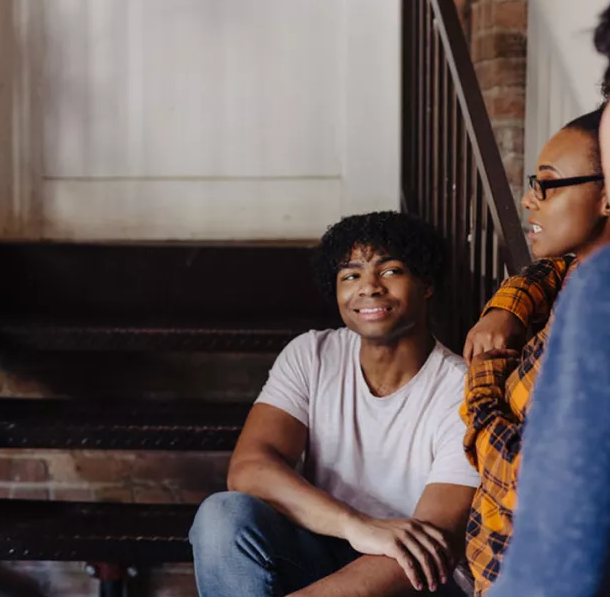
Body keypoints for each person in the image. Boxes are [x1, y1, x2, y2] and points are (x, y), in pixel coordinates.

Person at [189, 211, 480, 597]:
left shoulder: (463, 391)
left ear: (426, 284)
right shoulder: (313, 354)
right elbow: (249, 469)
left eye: (390, 271)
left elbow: (436, 537)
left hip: (415, 577)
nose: (369, 288)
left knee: (423, 554)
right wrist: (355, 525)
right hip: (325, 547)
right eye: (350, 276)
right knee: (221, 515)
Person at [460, 18, 610, 593]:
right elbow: (549, 268)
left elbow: (523, 476)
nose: (530, 199)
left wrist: (484, 380)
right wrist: (509, 304)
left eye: (547, 184)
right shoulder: (570, 275)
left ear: (606, 195)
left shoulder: (590, 312)